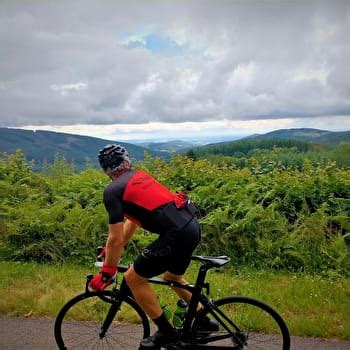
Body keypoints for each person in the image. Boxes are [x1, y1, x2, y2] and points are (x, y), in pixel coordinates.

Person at [89, 144, 217, 349]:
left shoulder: (112, 191)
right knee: (172, 278)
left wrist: (107, 272)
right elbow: (134, 222)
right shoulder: (139, 176)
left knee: (133, 278)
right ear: (127, 161)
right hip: (190, 226)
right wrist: (113, 249)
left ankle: (167, 333)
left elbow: (114, 239)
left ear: (105, 169)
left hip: (176, 234)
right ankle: (204, 319)